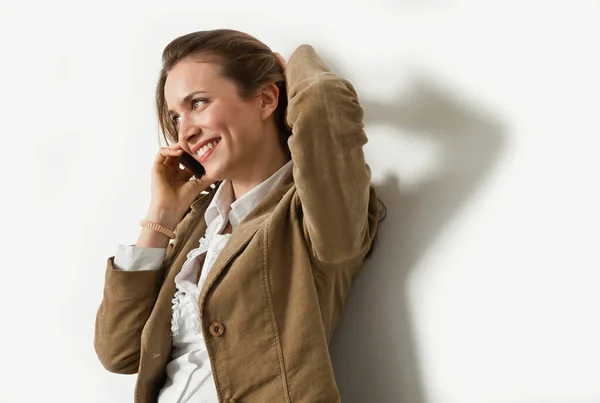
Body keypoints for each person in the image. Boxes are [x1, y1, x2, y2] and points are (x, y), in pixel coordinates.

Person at [94, 28, 381, 403]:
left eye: (197, 103)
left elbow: (322, 105)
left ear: (266, 99)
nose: (186, 133)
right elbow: (119, 352)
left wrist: (287, 64)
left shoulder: (315, 213)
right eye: (176, 117)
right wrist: (162, 214)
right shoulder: (199, 225)